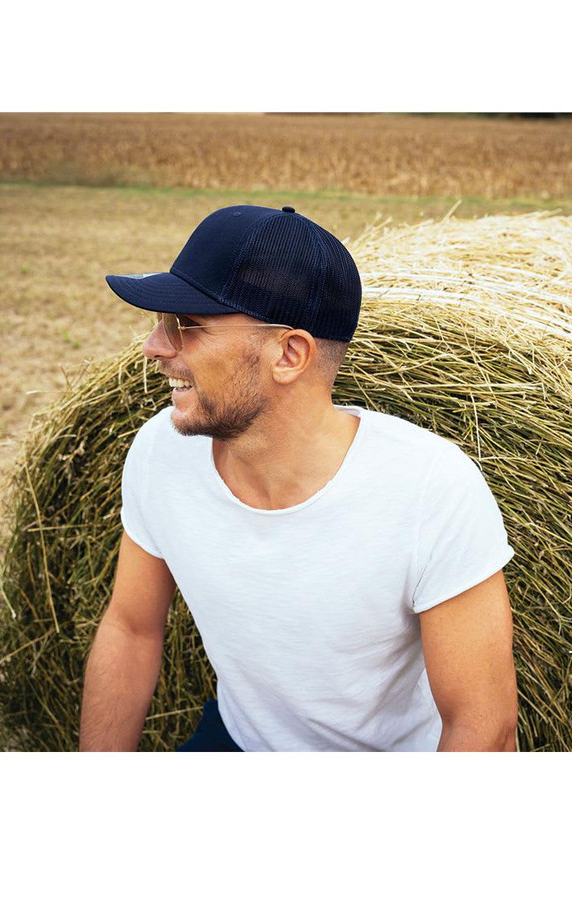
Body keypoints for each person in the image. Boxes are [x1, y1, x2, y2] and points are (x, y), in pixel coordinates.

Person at [80, 204, 518, 752]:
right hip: (239, 741)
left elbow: (485, 725)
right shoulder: (160, 453)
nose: (155, 346)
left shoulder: (430, 489)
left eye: (185, 326)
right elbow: (130, 629)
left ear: (289, 354)